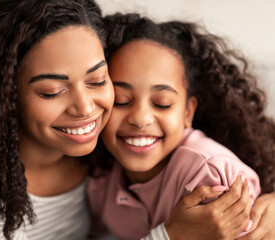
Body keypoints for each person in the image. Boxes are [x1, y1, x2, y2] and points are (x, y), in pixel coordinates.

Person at [0, 0, 270, 239]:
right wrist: (171, 235)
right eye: (52, 91)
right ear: (3, 97)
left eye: (99, 81)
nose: (86, 108)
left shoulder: (107, 150)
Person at [87, 13, 275, 240]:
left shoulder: (208, 175)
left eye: (162, 104)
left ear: (188, 112)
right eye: (121, 100)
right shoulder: (100, 182)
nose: (140, 118)